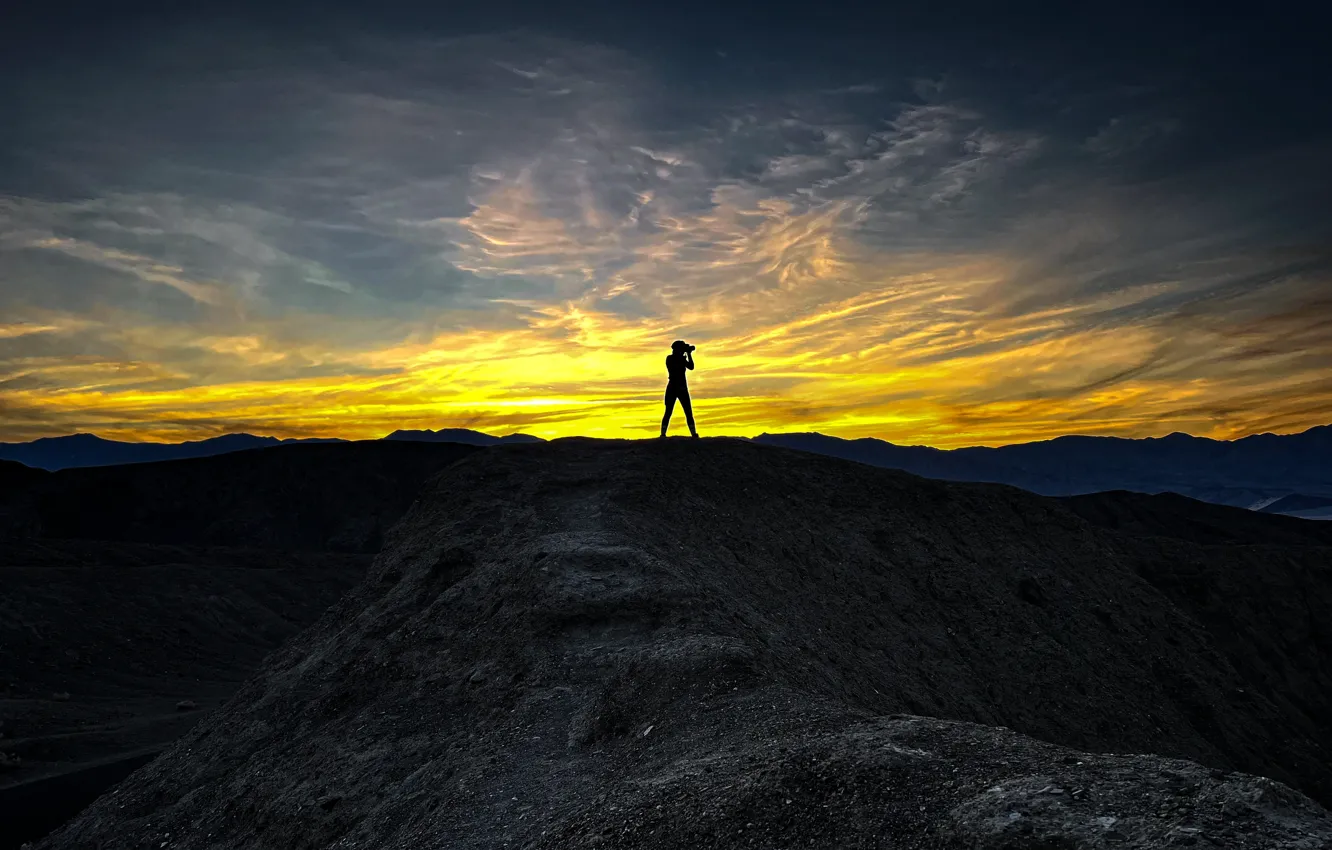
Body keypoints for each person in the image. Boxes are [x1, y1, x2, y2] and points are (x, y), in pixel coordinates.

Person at [661, 340, 699, 438]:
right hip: (673, 387)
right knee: (668, 411)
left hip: (682, 387)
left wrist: (689, 355)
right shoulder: (670, 358)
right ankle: (663, 434)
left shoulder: (681, 359)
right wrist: (684, 355)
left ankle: (693, 433)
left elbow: (691, 367)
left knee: (688, 412)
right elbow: (675, 367)